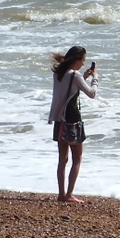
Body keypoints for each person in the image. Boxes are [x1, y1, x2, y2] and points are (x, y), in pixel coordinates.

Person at [48, 46, 99, 203]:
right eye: (83, 60)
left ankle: (61, 194)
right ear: (77, 60)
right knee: (77, 159)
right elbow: (92, 93)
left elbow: (69, 87)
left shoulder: (59, 73)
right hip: (72, 120)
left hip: (59, 120)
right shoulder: (75, 75)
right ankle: (69, 194)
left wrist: (84, 76)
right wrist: (95, 78)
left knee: (62, 159)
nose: (83, 63)